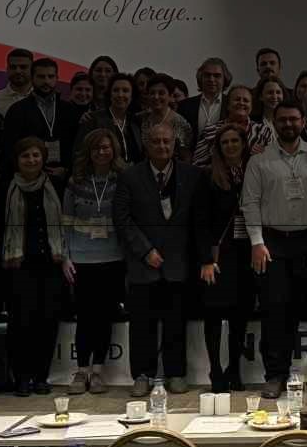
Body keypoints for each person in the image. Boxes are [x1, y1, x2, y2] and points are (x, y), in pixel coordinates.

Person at [242, 100, 307, 398]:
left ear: (303, 122)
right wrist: (257, 242)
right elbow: (250, 203)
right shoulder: (259, 160)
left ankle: (295, 371)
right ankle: (275, 375)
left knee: (297, 307)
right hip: (272, 243)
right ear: (275, 123)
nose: (288, 124)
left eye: (294, 119)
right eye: (283, 120)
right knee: (274, 308)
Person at [114, 122, 200, 397]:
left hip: (178, 263)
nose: (162, 146)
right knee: (142, 324)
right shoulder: (129, 176)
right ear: (146, 145)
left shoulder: (191, 175)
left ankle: (176, 373)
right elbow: (122, 220)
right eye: (156, 141)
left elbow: (197, 219)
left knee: (176, 322)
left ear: (174, 144)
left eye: (167, 141)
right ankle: (143, 374)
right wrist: (145, 251)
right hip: (143, 264)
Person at [0, 136, 67, 396]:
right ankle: (22, 377)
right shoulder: (5, 187)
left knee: (47, 321)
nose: (31, 160)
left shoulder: (55, 185)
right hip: (19, 266)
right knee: (21, 323)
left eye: (36, 155)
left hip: (51, 263)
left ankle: (41, 376)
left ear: (43, 158)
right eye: (25, 156)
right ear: (17, 160)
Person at [61, 127, 126, 395]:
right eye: (97, 148)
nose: (102, 152)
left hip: (113, 257)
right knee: (85, 316)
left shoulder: (122, 179)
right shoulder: (75, 181)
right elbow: (65, 221)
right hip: (82, 259)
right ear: (88, 152)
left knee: (105, 316)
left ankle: (98, 371)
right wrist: (65, 257)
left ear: (114, 150)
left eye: (106, 147)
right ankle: (81, 371)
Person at [193, 122, 255, 391]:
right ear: (218, 147)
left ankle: (234, 369)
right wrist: (206, 259)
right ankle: (216, 369)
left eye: (235, 141)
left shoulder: (253, 172)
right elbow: (200, 221)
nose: (230, 146)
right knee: (215, 314)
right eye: (225, 142)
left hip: (247, 252)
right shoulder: (208, 176)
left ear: (243, 144)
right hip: (219, 256)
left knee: (241, 314)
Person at [0, 58, 81, 179]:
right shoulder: (17, 110)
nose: (46, 81)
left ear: (57, 78)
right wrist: (30, 171)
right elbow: (9, 148)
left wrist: (68, 170)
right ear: (32, 78)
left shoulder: (69, 110)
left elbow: (77, 145)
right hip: (29, 177)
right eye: (41, 77)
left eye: (50, 76)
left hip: (63, 177)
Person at [196, 84, 274, 164]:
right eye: (237, 99)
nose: (241, 103)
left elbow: (274, 162)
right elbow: (197, 164)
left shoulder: (264, 131)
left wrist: (265, 155)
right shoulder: (210, 131)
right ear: (228, 105)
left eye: (246, 100)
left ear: (251, 107)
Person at [78, 73, 140, 164]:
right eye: (116, 90)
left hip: (133, 171)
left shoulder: (136, 121)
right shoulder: (93, 119)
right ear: (109, 94)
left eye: (125, 91)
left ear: (132, 96)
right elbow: (79, 154)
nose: (120, 95)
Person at [139, 75, 194, 162]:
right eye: (152, 93)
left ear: (170, 96)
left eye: (161, 93)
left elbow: (186, 157)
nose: (156, 97)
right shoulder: (140, 119)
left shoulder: (181, 123)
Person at [179, 57, 231, 139]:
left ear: (225, 79)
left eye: (217, 76)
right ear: (200, 78)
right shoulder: (185, 105)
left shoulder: (231, 104)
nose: (211, 79)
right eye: (207, 75)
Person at [0, 48, 34, 115]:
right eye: (13, 67)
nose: (18, 71)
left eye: (23, 67)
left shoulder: (44, 99)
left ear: (32, 69)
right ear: (7, 69)